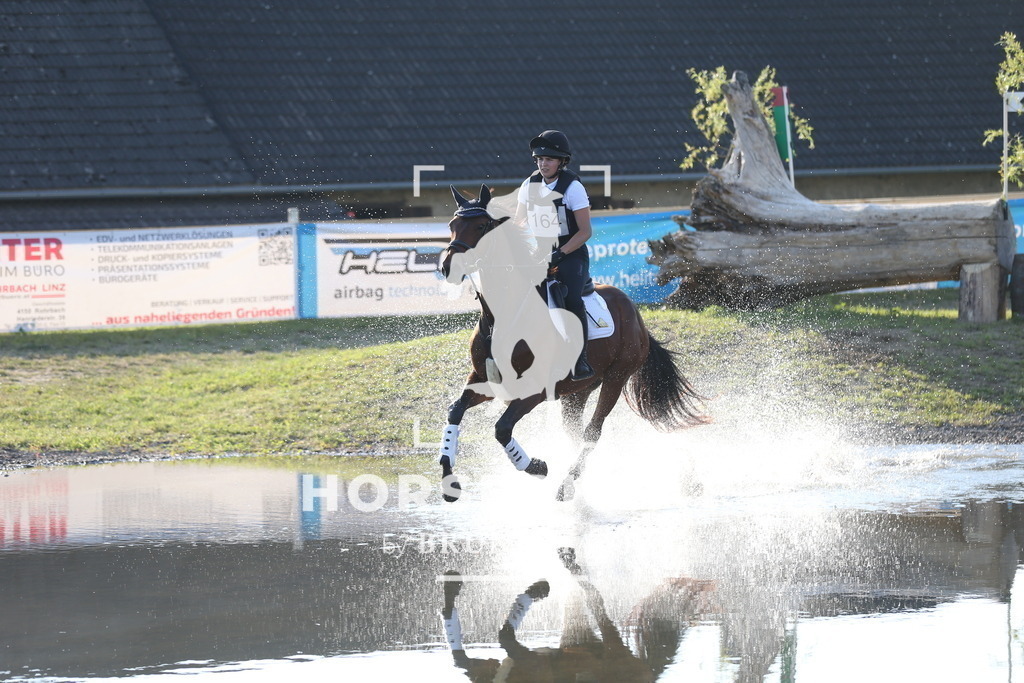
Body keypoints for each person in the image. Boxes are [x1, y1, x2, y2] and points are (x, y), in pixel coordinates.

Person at [515, 130, 595, 381]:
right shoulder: (529, 185)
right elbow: (519, 223)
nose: (543, 163)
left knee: (570, 298)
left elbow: (585, 232)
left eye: (549, 159)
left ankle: (579, 360)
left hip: (571, 253)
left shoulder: (573, 188)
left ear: (562, 161)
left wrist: (560, 254)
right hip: (540, 252)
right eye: (539, 159)